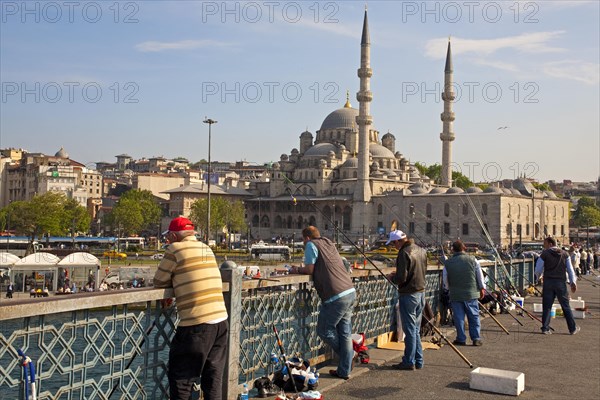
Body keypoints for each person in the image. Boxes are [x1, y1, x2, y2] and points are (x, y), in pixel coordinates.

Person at [154, 217, 228, 400]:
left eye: (168, 238)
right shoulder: (206, 248)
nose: (167, 241)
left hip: (196, 323)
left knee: (182, 379)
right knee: (213, 378)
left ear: (172, 235)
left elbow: (159, 281)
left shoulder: (174, 249)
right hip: (220, 320)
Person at [289, 226, 355, 380]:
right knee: (345, 333)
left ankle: (349, 356)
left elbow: (310, 270)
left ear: (306, 238)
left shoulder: (311, 245)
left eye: (302, 240)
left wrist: (296, 270)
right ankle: (344, 370)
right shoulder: (329, 243)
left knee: (324, 330)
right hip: (349, 291)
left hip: (335, 296)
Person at [388, 230, 427, 370]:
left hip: (408, 294)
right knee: (415, 329)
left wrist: (392, 277)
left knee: (410, 331)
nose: (393, 246)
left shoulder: (404, 253)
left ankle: (408, 361)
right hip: (421, 293)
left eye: (393, 243)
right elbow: (420, 270)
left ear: (398, 241)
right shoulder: (421, 250)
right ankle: (419, 360)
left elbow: (401, 278)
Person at [443, 240, 485, 346]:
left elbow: (445, 280)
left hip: (455, 294)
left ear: (453, 250)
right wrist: (481, 288)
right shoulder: (473, 259)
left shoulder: (447, 263)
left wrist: (448, 289)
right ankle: (476, 338)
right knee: (474, 316)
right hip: (471, 293)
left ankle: (461, 338)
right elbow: (479, 275)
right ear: (464, 248)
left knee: (459, 317)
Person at [535, 236, 580, 335]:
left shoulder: (544, 254)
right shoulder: (565, 254)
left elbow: (538, 269)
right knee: (565, 306)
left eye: (545, 244)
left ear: (550, 244)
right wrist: (573, 282)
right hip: (560, 282)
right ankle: (572, 328)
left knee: (547, 306)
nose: (544, 246)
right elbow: (570, 270)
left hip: (548, 282)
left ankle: (545, 328)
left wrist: (538, 277)